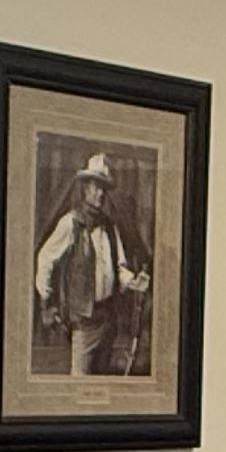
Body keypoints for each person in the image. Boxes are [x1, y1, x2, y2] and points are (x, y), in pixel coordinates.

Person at [32, 152, 151, 376]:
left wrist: (133, 281)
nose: (101, 194)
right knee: (80, 385)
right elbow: (45, 258)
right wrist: (46, 301)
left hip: (108, 318)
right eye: (96, 187)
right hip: (83, 322)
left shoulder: (109, 226)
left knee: (101, 383)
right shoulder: (70, 223)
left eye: (104, 189)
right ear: (85, 188)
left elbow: (120, 267)